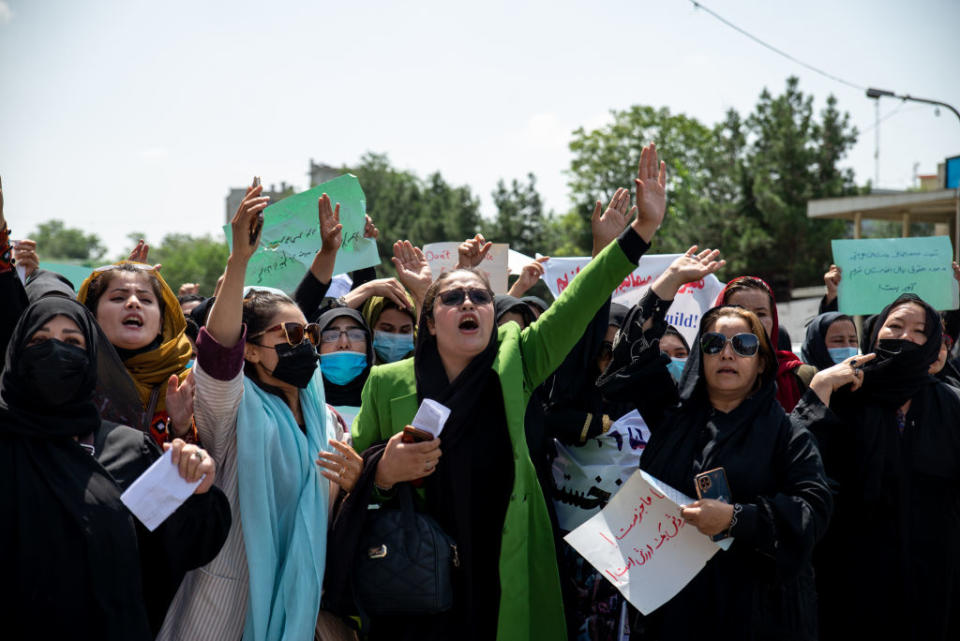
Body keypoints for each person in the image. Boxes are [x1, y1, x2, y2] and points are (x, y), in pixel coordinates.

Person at [337, 143, 668, 641]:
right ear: (429, 317)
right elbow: (350, 476)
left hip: (503, 568)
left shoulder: (518, 358)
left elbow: (579, 301)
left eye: (480, 296)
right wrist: (383, 473)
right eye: (452, 296)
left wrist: (640, 231)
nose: (469, 301)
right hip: (415, 580)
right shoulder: (388, 383)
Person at [159, 187, 362, 641]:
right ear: (249, 349)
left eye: (309, 333)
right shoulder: (232, 408)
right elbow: (217, 353)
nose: (305, 342)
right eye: (290, 335)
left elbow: (335, 512)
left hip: (309, 608)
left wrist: (358, 480)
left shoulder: (326, 417)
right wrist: (239, 263)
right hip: (230, 608)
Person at [597, 300, 832, 640]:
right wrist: (666, 288)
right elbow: (631, 351)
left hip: (757, 612)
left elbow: (813, 510)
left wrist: (736, 518)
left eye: (743, 345)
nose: (727, 354)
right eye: (713, 344)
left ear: (762, 361)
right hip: (674, 612)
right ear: (699, 357)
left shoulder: (786, 433)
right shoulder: (672, 420)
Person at [0, 295, 229, 639]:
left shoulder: (128, 448)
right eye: (39, 340)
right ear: (17, 353)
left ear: (91, 357)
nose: (55, 352)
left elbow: (170, 550)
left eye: (72, 342)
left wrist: (196, 492)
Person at [792, 293, 960, 641]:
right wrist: (820, 388)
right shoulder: (843, 395)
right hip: (852, 574)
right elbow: (800, 462)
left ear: (932, 346)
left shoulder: (950, 405)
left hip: (934, 577)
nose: (904, 337)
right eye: (895, 326)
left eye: (919, 331)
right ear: (874, 333)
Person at [77, 261, 196, 445]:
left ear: (161, 324)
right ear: (91, 316)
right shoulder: (73, 380)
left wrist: (180, 428)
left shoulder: (187, 386)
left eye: (146, 300)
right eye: (118, 298)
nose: (133, 303)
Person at [715, 275, 815, 411]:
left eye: (761, 314)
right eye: (739, 312)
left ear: (773, 320)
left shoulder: (801, 377)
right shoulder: (704, 376)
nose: (752, 320)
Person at [318, 306, 374, 425]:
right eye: (331, 336)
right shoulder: (299, 403)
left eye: (355, 335)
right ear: (316, 346)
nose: (344, 343)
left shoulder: (381, 402)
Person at [362, 292, 416, 364]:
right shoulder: (352, 363)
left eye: (405, 331)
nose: (396, 338)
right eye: (387, 329)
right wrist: (369, 289)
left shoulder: (425, 357)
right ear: (370, 326)